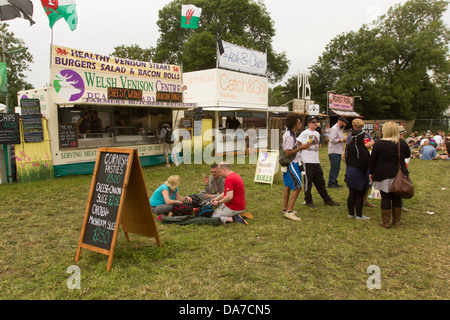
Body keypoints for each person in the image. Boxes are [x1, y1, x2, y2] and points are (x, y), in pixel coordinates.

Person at [369, 122, 411, 228]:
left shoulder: (379, 144)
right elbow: (407, 154)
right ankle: (396, 220)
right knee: (397, 196)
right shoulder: (402, 143)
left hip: (383, 173)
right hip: (399, 173)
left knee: (385, 197)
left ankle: (385, 221)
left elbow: (373, 160)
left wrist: (371, 172)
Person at [298, 116, 340, 208]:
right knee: (308, 182)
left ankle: (327, 200)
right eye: (313, 122)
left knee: (320, 182)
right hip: (307, 161)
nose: (315, 123)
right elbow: (298, 142)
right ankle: (308, 200)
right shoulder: (304, 133)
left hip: (316, 161)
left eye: (316, 122)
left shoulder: (317, 133)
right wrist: (303, 146)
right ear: (308, 123)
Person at [281, 113, 311, 221]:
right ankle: (289, 211)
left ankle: (285, 209)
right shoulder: (290, 136)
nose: (301, 124)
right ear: (294, 123)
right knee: (298, 187)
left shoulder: (289, 133)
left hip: (289, 164)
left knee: (288, 186)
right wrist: (301, 148)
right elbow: (288, 153)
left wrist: (300, 146)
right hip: (292, 163)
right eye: (299, 122)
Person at [344, 119, 371, 220]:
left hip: (350, 171)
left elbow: (345, 159)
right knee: (359, 194)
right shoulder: (362, 149)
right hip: (359, 173)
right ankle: (359, 215)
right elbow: (365, 163)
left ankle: (351, 213)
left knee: (352, 193)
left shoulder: (348, 147)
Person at [327, 117, 348, 188]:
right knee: (334, 167)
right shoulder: (334, 129)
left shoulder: (340, 129)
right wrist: (342, 140)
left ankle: (334, 181)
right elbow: (332, 139)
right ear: (340, 122)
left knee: (337, 168)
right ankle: (331, 182)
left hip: (338, 151)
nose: (345, 126)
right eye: (344, 124)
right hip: (334, 151)